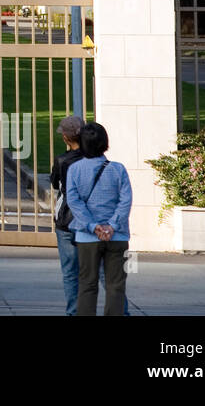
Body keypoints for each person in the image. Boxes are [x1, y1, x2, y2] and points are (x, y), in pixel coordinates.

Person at [66, 122, 132, 316]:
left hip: (87, 237)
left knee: (87, 284)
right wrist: (111, 226)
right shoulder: (119, 169)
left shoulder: (75, 170)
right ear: (105, 143)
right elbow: (125, 200)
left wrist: (93, 226)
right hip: (117, 236)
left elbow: (74, 201)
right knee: (116, 286)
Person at [50, 115, 85, 316]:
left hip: (66, 219)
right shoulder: (95, 159)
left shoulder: (63, 160)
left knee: (70, 272)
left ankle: (74, 311)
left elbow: (56, 183)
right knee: (97, 272)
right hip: (89, 221)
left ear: (65, 137)